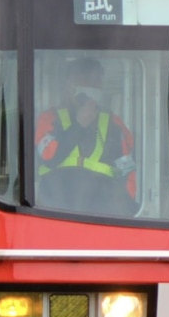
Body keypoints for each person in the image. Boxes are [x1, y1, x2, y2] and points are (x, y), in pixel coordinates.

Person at [35, 57, 136, 212]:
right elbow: (49, 157)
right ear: (68, 86)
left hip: (102, 216)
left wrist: (128, 215)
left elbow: (129, 175)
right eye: (84, 81)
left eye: (96, 82)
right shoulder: (49, 119)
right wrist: (79, 125)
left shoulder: (114, 124)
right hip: (54, 212)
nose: (91, 88)